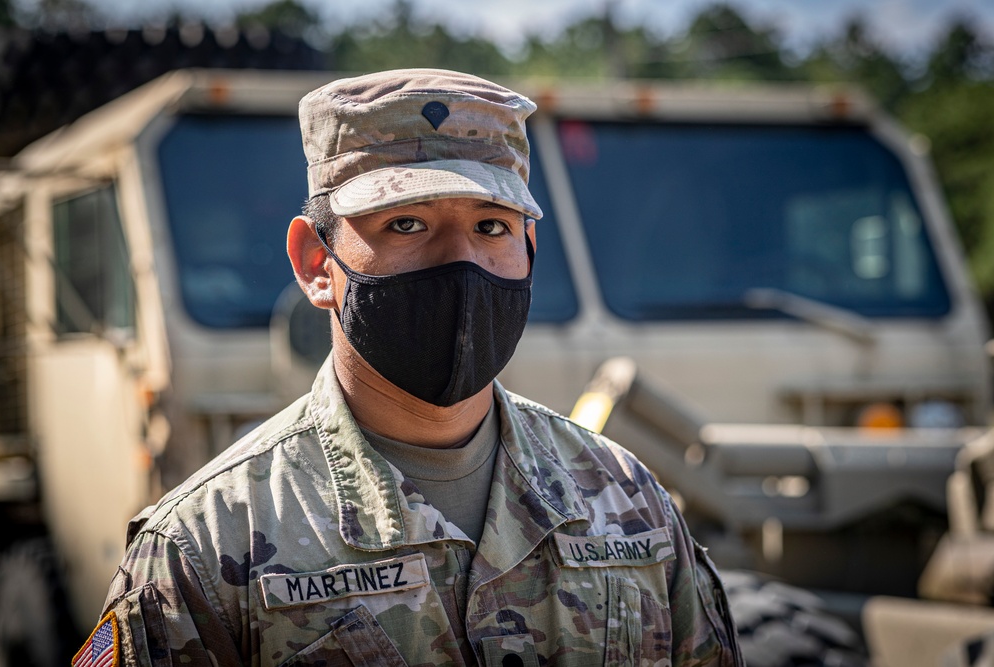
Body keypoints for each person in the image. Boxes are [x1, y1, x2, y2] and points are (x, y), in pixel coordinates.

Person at [75, 68, 743, 666]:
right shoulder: (205, 546)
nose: (461, 263)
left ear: (529, 247)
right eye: (405, 223)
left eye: (491, 227)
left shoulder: (631, 504)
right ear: (316, 262)